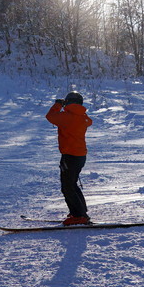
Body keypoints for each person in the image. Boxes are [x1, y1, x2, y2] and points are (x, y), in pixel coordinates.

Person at [46, 91, 92, 225]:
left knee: (67, 187)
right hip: (80, 156)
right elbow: (89, 121)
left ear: (68, 102)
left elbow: (50, 116)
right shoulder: (82, 117)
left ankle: (79, 216)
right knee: (72, 184)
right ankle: (80, 212)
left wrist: (57, 105)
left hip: (69, 156)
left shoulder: (66, 116)